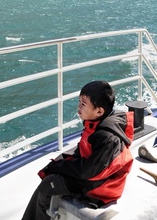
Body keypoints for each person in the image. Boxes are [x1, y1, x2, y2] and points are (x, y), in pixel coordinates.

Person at [21, 80, 134, 220]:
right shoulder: (96, 123)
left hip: (101, 187)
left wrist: (58, 167)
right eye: (79, 102)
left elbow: (89, 171)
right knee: (53, 169)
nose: (78, 106)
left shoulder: (106, 136)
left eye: (83, 104)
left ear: (99, 111)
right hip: (94, 174)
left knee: (49, 184)